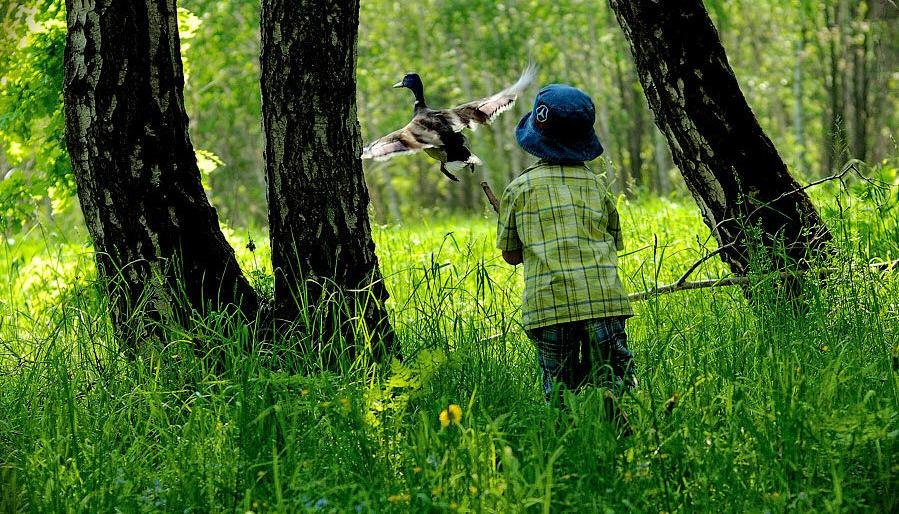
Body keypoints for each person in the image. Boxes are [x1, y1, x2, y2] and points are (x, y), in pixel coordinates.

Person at [496, 83, 637, 422]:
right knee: (616, 379)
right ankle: (623, 433)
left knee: (558, 389)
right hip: (603, 302)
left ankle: (568, 437)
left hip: (549, 306)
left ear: (535, 137)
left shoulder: (518, 189)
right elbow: (615, 240)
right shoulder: (596, 186)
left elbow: (511, 256)